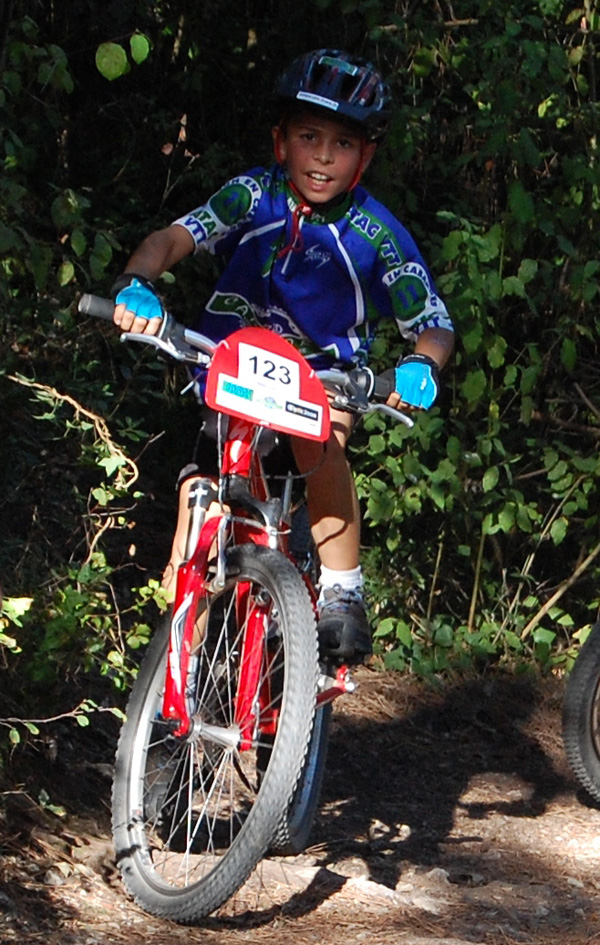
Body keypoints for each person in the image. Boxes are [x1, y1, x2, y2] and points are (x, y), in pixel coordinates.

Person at [110, 49, 454, 665]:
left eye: (342, 143)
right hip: (233, 374)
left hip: (324, 383)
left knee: (318, 444)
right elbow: (172, 238)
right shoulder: (251, 197)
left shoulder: (378, 234)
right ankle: (173, 685)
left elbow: (431, 323)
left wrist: (422, 365)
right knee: (195, 514)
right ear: (280, 141)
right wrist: (137, 283)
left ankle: (342, 589)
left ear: (365, 157)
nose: (322, 156)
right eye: (308, 137)